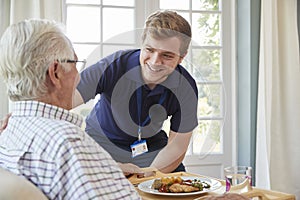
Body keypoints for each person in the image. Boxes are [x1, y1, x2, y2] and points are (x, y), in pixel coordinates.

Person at [0, 19, 140, 200]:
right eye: (75, 63)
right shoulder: (67, 142)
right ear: (55, 72)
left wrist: (102, 167)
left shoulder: (8, 130)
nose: (79, 77)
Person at [73, 10, 198, 173]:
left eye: (166, 55)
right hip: (101, 143)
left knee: (175, 189)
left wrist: (147, 175)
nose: (155, 62)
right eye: (149, 50)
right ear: (142, 44)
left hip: (149, 147)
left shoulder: (186, 87)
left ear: (182, 56)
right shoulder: (113, 66)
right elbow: (63, 99)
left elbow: (177, 147)